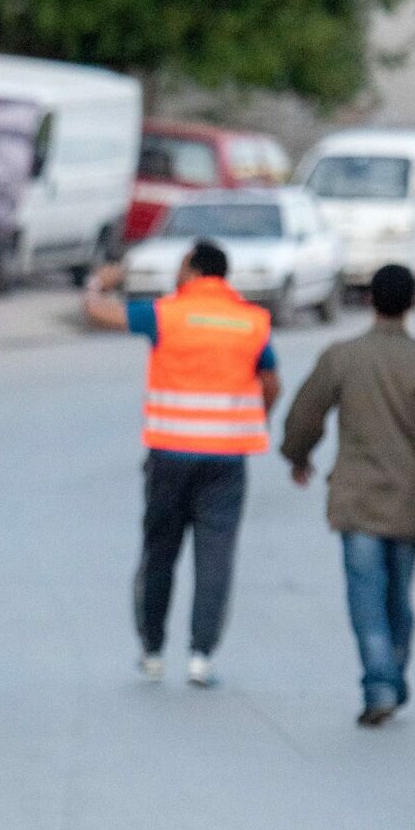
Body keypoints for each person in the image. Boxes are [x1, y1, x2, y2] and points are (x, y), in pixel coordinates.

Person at [85, 241, 282, 687]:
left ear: (193, 271)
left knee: (160, 553)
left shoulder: (166, 314)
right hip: (226, 459)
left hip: (169, 455)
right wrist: (253, 418)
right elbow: (271, 382)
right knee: (215, 557)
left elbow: (99, 312)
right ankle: (201, 657)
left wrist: (100, 282)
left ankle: (152, 652)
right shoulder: (251, 322)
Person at [278, 264, 415, 727]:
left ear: (370, 300)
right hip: (409, 504)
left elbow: (305, 412)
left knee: (366, 599)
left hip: (357, 501)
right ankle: (391, 675)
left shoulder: (343, 357)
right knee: (398, 595)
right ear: (412, 302)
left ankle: (380, 684)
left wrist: (297, 456)